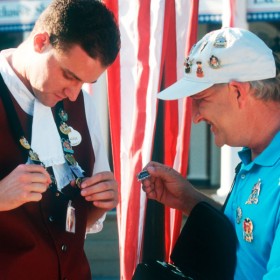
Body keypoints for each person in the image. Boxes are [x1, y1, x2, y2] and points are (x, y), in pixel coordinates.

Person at [141, 27, 280, 279]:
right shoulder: (255, 156)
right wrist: (188, 200)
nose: (195, 117)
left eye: (200, 99)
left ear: (238, 91)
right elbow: (246, 240)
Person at [0, 0, 120, 279]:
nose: (73, 94)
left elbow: (78, 224)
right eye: (69, 75)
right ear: (41, 42)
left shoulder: (84, 105)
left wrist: (100, 201)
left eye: (83, 82)